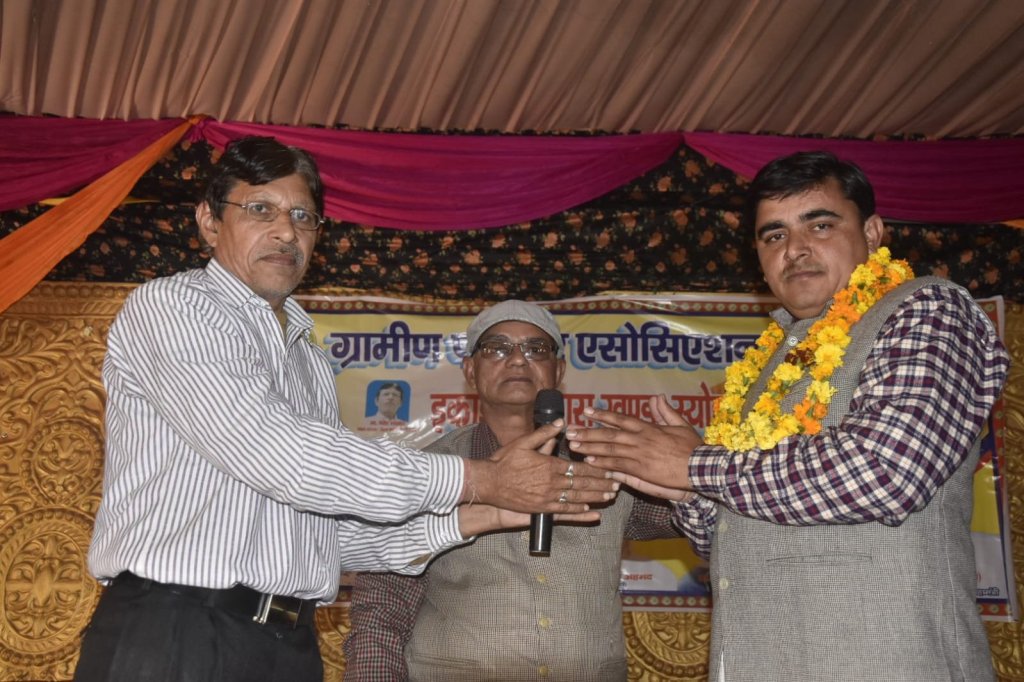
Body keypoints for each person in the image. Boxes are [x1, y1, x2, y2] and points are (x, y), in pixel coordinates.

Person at [73, 136, 617, 682]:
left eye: (303, 217)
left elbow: (329, 534)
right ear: (210, 222)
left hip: (286, 643)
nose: (286, 232)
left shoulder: (308, 359)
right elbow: (279, 454)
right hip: (176, 632)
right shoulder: (176, 307)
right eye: (260, 209)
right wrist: (481, 480)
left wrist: (484, 514)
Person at [565, 151, 1009, 682]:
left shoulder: (928, 309)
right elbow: (738, 538)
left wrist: (696, 466)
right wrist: (688, 495)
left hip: (884, 660)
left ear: (872, 233)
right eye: (773, 235)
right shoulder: (774, 362)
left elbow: (885, 471)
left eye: (819, 225)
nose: (795, 249)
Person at [343, 300, 679, 681]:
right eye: (497, 348)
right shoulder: (429, 472)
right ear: (470, 371)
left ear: (559, 371)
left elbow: (694, 519)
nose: (518, 360)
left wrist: (687, 470)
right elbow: (383, 608)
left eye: (536, 349)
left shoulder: (606, 462)